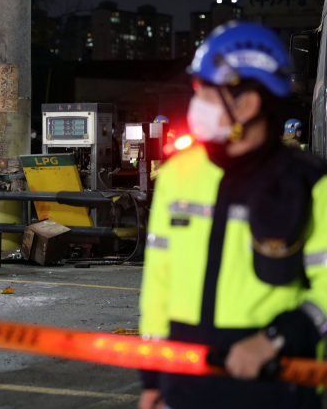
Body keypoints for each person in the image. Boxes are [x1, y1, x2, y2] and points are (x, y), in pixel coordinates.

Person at [139, 21, 327, 409]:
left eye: (208, 91)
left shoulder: (311, 184)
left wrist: (275, 338)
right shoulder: (177, 175)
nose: (198, 102)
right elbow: (158, 284)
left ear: (248, 103)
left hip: (275, 385)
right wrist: (154, 381)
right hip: (186, 384)